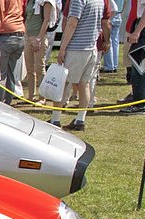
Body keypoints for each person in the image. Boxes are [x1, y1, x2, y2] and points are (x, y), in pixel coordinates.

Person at [50, 0, 106, 129]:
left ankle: (55, 119)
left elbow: (72, 23)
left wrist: (62, 47)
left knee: (63, 83)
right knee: (84, 84)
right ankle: (80, 120)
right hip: (91, 48)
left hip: (77, 48)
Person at [22, 0, 54, 101]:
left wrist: (39, 38)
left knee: (40, 68)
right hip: (28, 36)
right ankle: (31, 95)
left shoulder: (46, 2)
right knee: (30, 68)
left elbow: (47, 20)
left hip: (39, 37)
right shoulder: (30, 1)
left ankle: (42, 97)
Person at [120, 0, 143, 113]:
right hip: (137, 24)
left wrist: (137, 31)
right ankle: (138, 98)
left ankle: (140, 103)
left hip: (141, 27)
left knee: (139, 68)